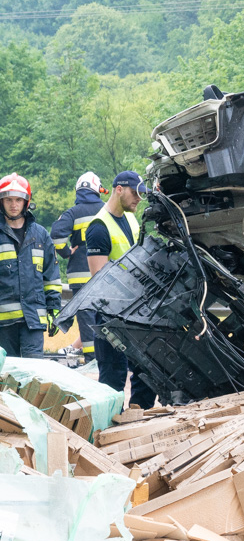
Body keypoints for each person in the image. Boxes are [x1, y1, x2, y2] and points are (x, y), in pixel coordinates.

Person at [86, 171, 156, 408]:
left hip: (134, 313)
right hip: (111, 318)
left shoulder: (131, 219)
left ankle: (137, 421)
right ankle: (108, 432)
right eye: (135, 193)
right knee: (113, 381)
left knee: (148, 373)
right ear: (119, 189)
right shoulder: (98, 226)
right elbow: (100, 279)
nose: (138, 198)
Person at [0, 173, 62, 358]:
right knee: (7, 376)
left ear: (26, 201)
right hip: (4, 323)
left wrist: (54, 308)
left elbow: (51, 276)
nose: (13, 205)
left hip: (33, 320)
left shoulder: (41, 235)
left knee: (34, 372)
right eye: (8, 199)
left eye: (18, 200)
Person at [50, 172, 106, 364]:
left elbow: (56, 235)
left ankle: (92, 361)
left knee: (86, 321)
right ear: (97, 189)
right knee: (105, 319)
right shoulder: (107, 210)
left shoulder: (72, 213)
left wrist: (67, 253)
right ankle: (105, 360)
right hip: (105, 275)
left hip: (79, 277)